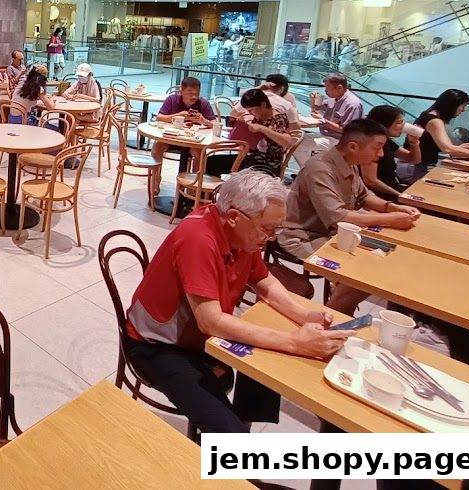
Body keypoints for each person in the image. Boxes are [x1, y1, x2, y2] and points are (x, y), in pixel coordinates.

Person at [123, 170, 351, 434]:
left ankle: (243, 424)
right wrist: (294, 342)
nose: (271, 237)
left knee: (268, 367)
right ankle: (229, 448)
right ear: (233, 217)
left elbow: (263, 281)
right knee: (229, 431)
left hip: (196, 337)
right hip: (157, 345)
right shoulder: (198, 238)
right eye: (267, 229)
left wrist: (303, 316)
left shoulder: (242, 236)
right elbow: (211, 322)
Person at [275, 118, 420, 313]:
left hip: (333, 233)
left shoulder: (348, 163)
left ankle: (337, 312)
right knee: (360, 275)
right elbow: (338, 216)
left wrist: (391, 208)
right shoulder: (319, 168)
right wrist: (390, 219)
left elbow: (363, 195)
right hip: (303, 235)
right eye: (377, 147)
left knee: (382, 263)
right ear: (353, 146)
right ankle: (333, 318)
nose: (381, 154)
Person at [209, 89, 294, 176]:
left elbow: (288, 142)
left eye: (252, 109)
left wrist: (263, 129)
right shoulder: (258, 117)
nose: (249, 112)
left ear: (263, 105)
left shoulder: (278, 119)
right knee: (210, 162)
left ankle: (228, 187)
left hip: (265, 165)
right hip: (248, 158)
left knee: (214, 165)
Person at [294, 73, 364, 163]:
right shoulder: (334, 97)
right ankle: (312, 170)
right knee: (297, 139)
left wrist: (324, 121)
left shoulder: (352, 104)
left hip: (340, 140)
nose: (325, 91)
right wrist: (313, 99)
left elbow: (346, 130)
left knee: (299, 146)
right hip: (326, 135)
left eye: (327, 87)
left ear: (339, 88)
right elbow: (317, 107)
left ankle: (308, 172)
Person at [412, 88, 469, 177]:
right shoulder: (435, 121)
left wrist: (458, 149)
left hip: (415, 166)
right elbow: (447, 149)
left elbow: (432, 146)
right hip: (417, 168)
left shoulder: (428, 115)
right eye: (463, 106)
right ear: (452, 105)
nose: (463, 110)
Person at [361, 105, 421, 200]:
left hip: (393, 188)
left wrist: (414, 143)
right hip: (377, 194)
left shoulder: (387, 142)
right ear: (384, 124)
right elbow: (371, 181)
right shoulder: (370, 144)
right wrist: (399, 195)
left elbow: (414, 159)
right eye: (399, 122)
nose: (403, 126)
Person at [151, 77, 215, 163]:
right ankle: (156, 176)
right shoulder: (172, 100)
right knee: (156, 149)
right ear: (181, 91)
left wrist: (204, 121)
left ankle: (195, 177)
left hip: (194, 141)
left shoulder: (203, 103)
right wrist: (178, 115)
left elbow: (215, 124)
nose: (194, 96)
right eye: (190, 93)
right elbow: (159, 117)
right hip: (171, 138)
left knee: (200, 155)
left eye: (197, 93)